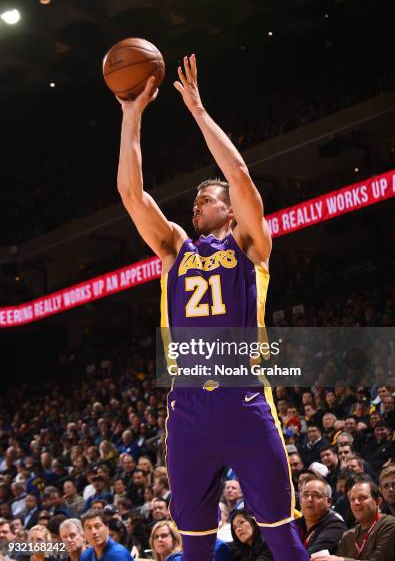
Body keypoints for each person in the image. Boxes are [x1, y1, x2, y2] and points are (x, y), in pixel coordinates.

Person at [117, 54, 308, 561]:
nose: (197, 205)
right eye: (196, 201)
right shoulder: (176, 249)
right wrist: (131, 115)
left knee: (282, 536)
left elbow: (241, 174)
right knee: (194, 547)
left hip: (243, 398)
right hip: (188, 409)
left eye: (208, 198)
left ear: (228, 207)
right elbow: (131, 195)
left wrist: (198, 111)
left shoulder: (250, 245)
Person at [316, 476, 395, 561]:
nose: (356, 503)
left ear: (378, 502)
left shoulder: (389, 525)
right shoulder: (348, 536)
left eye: (362, 498)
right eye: (352, 499)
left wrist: (342, 560)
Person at [297, 477, 346, 555]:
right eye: (305, 495)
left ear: (329, 502)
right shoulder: (294, 524)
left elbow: (312, 556)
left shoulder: (336, 526)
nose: (309, 499)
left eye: (316, 495)